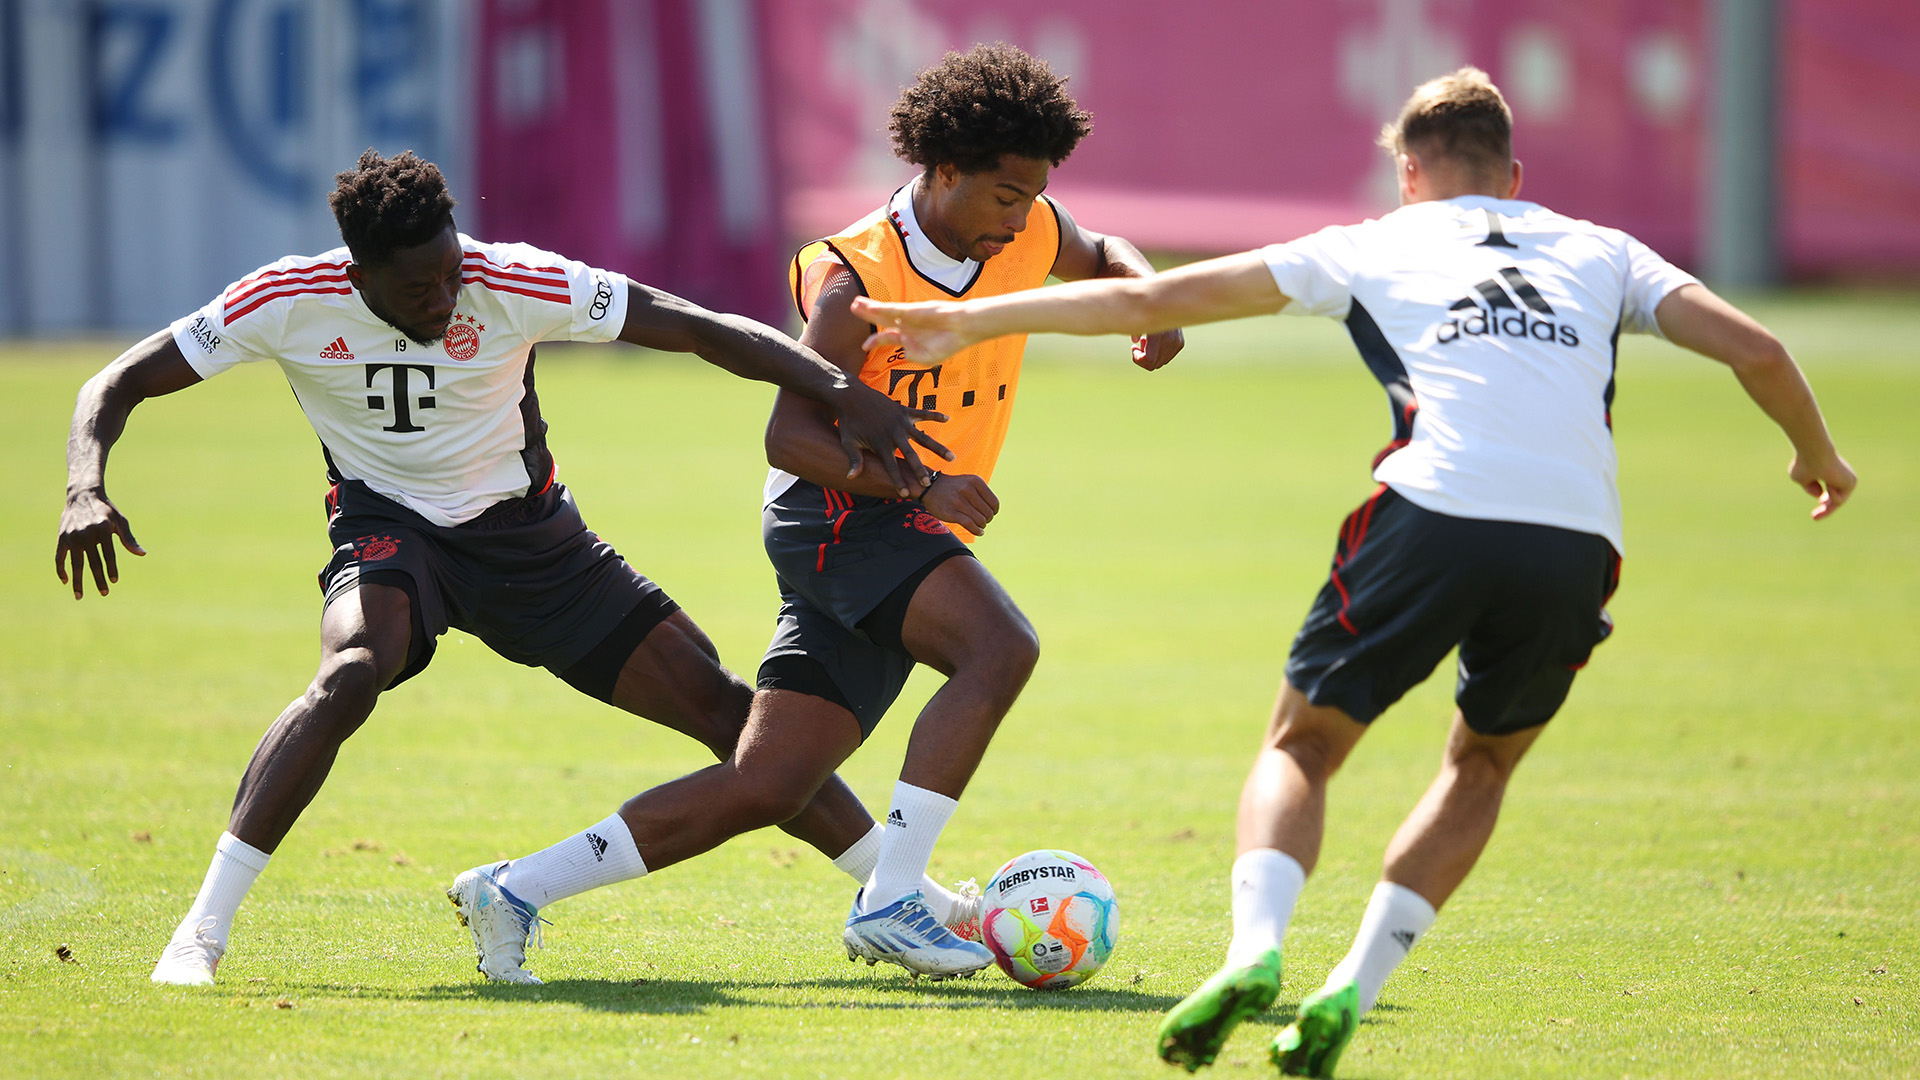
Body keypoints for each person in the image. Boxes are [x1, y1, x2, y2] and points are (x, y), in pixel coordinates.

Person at [851, 67, 1856, 1074]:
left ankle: (1256, 953)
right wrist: (1816, 452)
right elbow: (1757, 349)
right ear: (1513, 175)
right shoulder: (1604, 250)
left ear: (1409, 174)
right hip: (1578, 537)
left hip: (1438, 506)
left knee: (1304, 745)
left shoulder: (1374, 244)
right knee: (1483, 764)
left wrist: (972, 321)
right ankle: (1354, 984)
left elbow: (1155, 297)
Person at [57, 149, 950, 987]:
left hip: (533, 543)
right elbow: (115, 384)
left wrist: (842, 393)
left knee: (727, 714)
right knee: (350, 675)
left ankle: (903, 895)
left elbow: (696, 327)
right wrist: (84, 488)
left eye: (452, 270)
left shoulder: (509, 278)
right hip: (390, 529)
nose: (449, 295)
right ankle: (200, 933)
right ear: (358, 276)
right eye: (420, 288)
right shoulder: (287, 298)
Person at [454, 43, 1183, 982]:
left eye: (1035, 194)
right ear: (945, 171)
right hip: (837, 521)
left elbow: (1098, 249)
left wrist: (1145, 295)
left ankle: (512, 890)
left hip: (893, 531)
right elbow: (789, 439)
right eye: (1006, 194)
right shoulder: (852, 280)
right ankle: (895, 897)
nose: (1022, 217)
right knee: (1001, 647)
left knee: (769, 782)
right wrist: (922, 487)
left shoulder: (1028, 228)